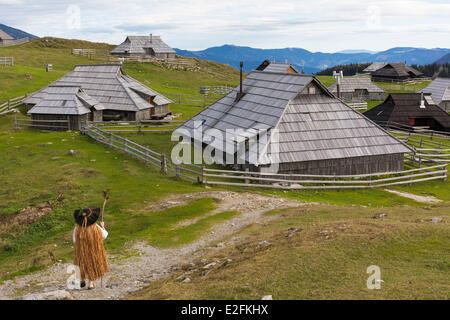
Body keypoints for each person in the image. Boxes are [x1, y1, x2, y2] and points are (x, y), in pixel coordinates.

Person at [73, 207, 110, 289]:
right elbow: (104, 235)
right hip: (93, 250)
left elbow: (74, 240)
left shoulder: (77, 227)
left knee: (81, 264)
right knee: (92, 265)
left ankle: (82, 279)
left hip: (81, 251)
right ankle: (90, 283)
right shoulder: (95, 226)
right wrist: (103, 227)